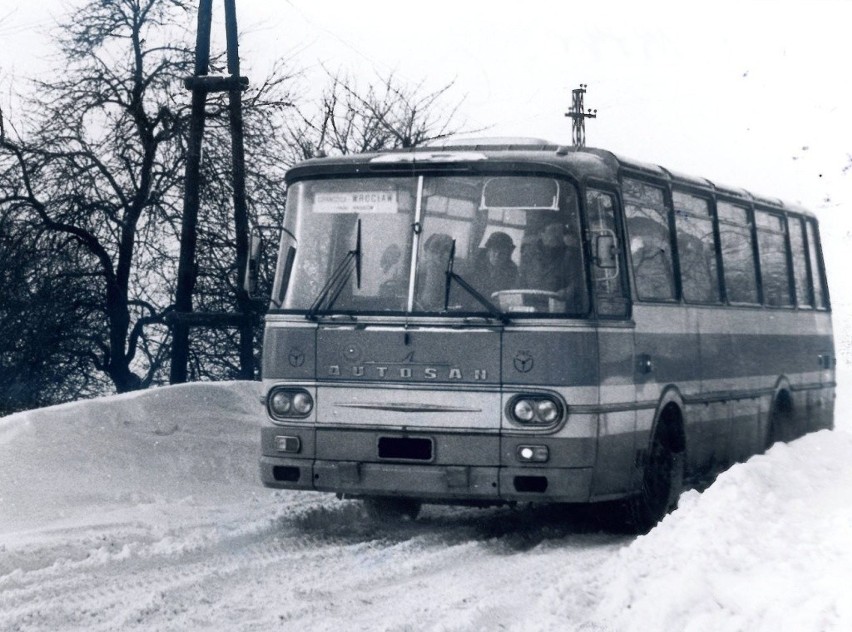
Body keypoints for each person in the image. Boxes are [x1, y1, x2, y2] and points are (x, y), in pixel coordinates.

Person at [520, 220, 585, 311]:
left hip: (557, 308)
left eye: (560, 232)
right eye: (553, 231)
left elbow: (576, 282)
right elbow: (520, 279)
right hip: (530, 307)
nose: (557, 236)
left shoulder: (569, 255)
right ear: (541, 234)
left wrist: (566, 292)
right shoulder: (528, 254)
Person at [473, 231, 519, 299]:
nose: (497, 255)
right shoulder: (475, 268)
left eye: (502, 252)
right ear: (488, 251)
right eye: (494, 250)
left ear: (508, 254)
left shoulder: (513, 273)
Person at [415, 233, 454, 310]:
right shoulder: (414, 278)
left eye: (446, 249)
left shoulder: (458, 282)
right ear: (426, 253)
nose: (439, 254)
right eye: (434, 249)